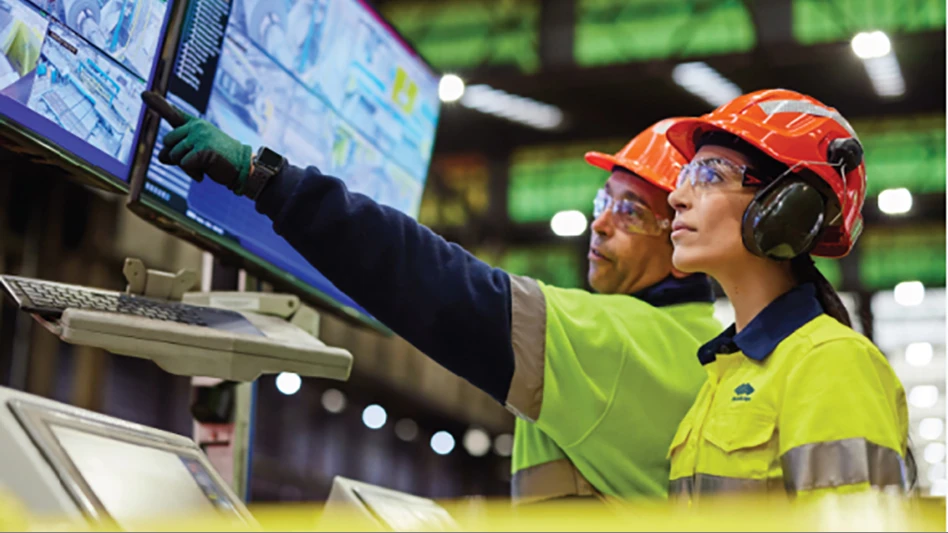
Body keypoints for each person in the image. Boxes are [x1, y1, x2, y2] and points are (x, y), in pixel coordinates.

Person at [141, 91, 721, 503]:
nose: (600, 226)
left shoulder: (621, 341)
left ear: (681, 231)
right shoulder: (703, 340)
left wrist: (268, 180)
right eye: (603, 203)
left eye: (631, 212)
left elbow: (432, 281)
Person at [662, 88, 914, 500]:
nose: (676, 197)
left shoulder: (830, 363)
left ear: (786, 208)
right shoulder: (724, 375)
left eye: (710, 176)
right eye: (684, 178)